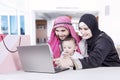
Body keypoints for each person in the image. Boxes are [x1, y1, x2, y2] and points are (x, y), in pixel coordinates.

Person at [54, 13, 120, 69]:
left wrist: (71, 62)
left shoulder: (103, 40)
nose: (82, 32)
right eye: (80, 29)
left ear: (93, 27)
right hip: (99, 70)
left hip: (112, 71)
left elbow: (94, 60)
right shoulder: (89, 39)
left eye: (86, 29)